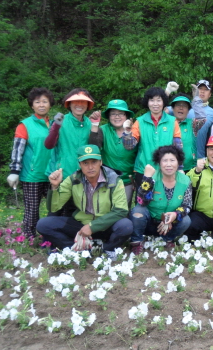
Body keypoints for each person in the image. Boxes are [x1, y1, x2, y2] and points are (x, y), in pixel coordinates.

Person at [37, 145, 132, 258]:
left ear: (101, 162)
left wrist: (92, 226)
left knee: (126, 226)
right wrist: (54, 187)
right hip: (81, 226)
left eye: (94, 162)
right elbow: (54, 207)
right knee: (43, 224)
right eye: (85, 163)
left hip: (106, 226)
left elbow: (121, 210)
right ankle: (76, 248)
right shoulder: (73, 179)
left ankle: (105, 248)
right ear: (79, 165)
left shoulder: (114, 180)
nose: (90, 167)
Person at [7, 87, 55, 239]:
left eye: (45, 101)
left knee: (55, 208)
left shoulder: (55, 124)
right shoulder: (25, 125)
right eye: (37, 102)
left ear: (50, 104)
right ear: (32, 105)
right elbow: (17, 150)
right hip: (32, 174)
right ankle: (29, 237)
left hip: (52, 174)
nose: (41, 105)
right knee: (32, 209)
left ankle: (52, 237)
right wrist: (14, 171)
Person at [129, 145, 192, 254]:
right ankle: (137, 241)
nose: (169, 164)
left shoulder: (185, 180)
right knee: (138, 211)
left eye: (172, 160)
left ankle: (167, 239)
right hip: (149, 221)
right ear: (159, 163)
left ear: (178, 162)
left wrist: (175, 215)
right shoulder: (152, 178)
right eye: (165, 160)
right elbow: (141, 201)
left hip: (169, 223)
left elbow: (187, 205)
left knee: (186, 220)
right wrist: (147, 179)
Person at [122, 87, 181, 189]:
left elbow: (178, 147)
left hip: (167, 170)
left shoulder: (172, 121)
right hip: (143, 170)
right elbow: (129, 146)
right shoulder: (139, 121)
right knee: (143, 198)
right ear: (147, 102)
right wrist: (127, 132)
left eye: (159, 100)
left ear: (163, 102)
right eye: (152, 100)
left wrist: (180, 167)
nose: (155, 104)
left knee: (164, 198)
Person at [89, 99, 137, 205]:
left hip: (127, 180)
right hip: (107, 179)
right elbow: (94, 147)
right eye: (113, 114)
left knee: (123, 209)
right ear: (109, 116)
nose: (117, 117)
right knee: (105, 207)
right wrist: (94, 125)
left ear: (126, 116)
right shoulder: (103, 130)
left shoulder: (135, 131)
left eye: (121, 113)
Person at [45, 88, 95, 179]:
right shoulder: (60, 120)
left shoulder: (90, 123)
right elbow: (49, 145)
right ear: (70, 103)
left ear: (88, 104)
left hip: (84, 175)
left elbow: (94, 149)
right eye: (76, 101)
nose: (79, 104)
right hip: (61, 174)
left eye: (83, 102)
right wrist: (56, 126)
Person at [169, 92, 213, 173]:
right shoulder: (167, 124)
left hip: (191, 168)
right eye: (178, 105)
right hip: (169, 168)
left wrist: (196, 101)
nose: (181, 108)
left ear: (188, 110)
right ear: (172, 108)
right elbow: (158, 112)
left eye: (184, 106)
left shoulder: (193, 123)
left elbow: (202, 119)